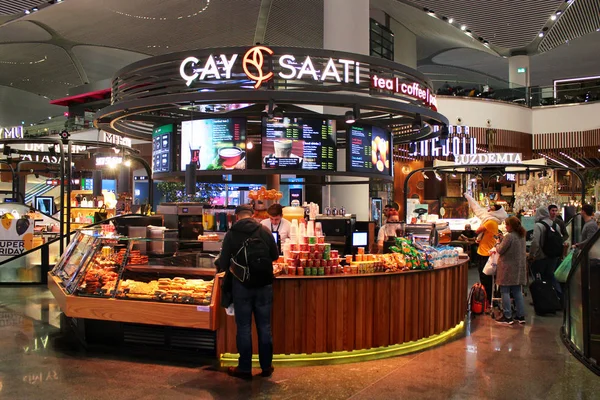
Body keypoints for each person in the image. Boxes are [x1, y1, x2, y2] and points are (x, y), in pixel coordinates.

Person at [218, 205, 279, 380]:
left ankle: (244, 368)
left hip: (241, 286)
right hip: (264, 285)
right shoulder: (264, 230)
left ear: (237, 217)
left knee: (244, 327)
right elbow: (275, 255)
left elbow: (223, 263)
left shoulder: (231, 234)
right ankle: (266, 366)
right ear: (252, 216)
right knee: (264, 327)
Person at [494, 216, 527, 325]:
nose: (505, 226)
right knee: (517, 291)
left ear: (511, 226)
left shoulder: (509, 237)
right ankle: (521, 315)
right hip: (518, 268)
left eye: (507, 225)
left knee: (505, 291)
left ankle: (507, 316)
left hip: (507, 268)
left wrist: (498, 242)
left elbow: (500, 250)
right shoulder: (521, 236)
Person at [474, 204, 507, 306]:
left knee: (485, 278)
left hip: (485, 253)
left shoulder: (490, 222)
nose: (488, 210)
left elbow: (477, 230)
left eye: (491, 209)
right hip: (486, 251)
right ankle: (488, 299)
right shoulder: (493, 221)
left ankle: (487, 300)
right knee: (487, 278)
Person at [528, 207, 563, 286]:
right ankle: (557, 294)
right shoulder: (556, 225)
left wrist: (531, 255)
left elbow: (535, 242)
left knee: (540, 277)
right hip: (553, 256)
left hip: (541, 256)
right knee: (550, 276)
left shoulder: (538, 225)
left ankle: (543, 295)